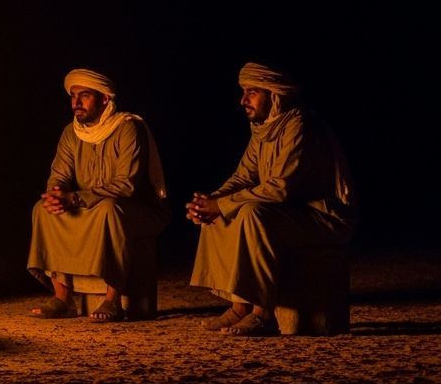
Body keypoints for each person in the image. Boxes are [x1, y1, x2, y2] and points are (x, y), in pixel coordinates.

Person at [187, 62, 357, 336]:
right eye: (243, 92)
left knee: (252, 213)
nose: (243, 101)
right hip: (291, 215)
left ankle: (263, 313)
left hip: (324, 217)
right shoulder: (263, 130)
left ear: (274, 94)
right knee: (222, 214)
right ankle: (239, 306)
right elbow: (243, 177)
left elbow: (280, 188)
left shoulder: (300, 126)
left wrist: (222, 204)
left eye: (252, 92)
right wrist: (210, 201)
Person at [25, 69, 168, 321]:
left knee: (109, 209)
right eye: (73, 96)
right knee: (43, 209)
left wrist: (75, 198)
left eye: (85, 96)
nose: (76, 103)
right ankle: (62, 298)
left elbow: (127, 185)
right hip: (86, 205)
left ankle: (112, 300)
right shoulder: (71, 133)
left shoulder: (127, 128)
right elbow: (59, 174)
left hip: (134, 208)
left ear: (104, 99)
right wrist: (56, 194)